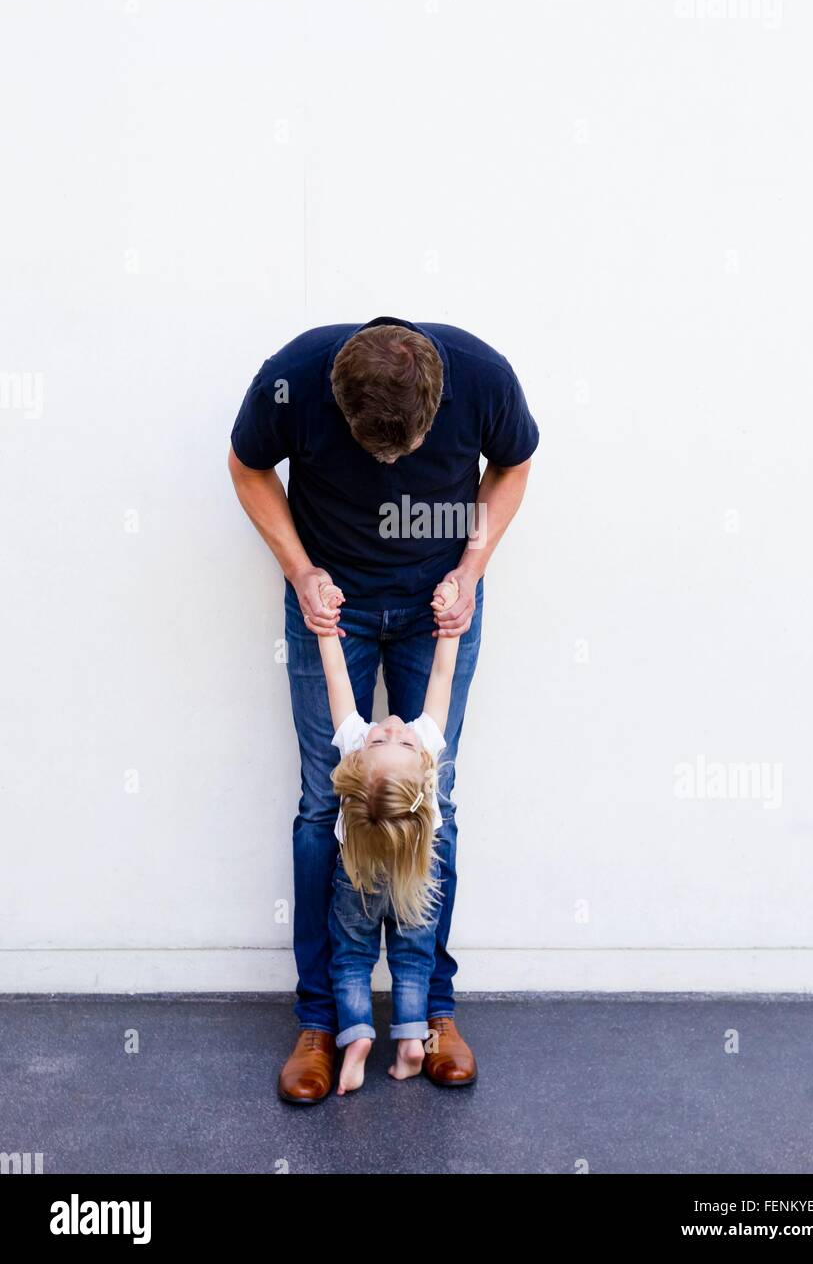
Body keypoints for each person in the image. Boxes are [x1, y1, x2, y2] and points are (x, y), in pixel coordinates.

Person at [229, 317, 538, 1102]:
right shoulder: (292, 377)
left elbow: (514, 464)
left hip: (441, 604)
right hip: (331, 599)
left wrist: (471, 568)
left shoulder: (483, 375)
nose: (391, 468)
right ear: (337, 400)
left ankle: (431, 1012)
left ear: (438, 400)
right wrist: (302, 575)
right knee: (317, 807)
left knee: (437, 803)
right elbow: (247, 466)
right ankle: (320, 1020)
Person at [317, 576, 462, 1094]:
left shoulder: (354, 750)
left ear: (356, 762)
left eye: (387, 736)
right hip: (415, 880)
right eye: (390, 736)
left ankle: (355, 1037)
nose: (396, 725)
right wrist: (449, 631)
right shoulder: (426, 751)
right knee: (412, 958)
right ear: (425, 771)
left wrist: (327, 630)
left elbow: (338, 682)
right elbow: (441, 678)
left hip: (355, 882)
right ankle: (407, 1043)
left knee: (352, 958)